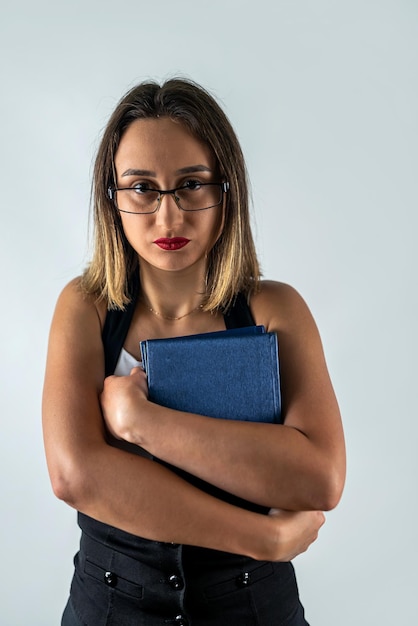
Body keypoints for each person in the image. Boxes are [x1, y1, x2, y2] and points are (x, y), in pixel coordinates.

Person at [42, 78, 345, 626]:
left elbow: (319, 477)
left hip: (253, 605)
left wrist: (140, 422)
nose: (168, 217)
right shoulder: (85, 306)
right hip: (111, 603)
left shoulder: (274, 308)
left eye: (191, 185)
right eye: (142, 188)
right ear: (111, 198)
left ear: (225, 188)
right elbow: (75, 476)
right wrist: (266, 536)